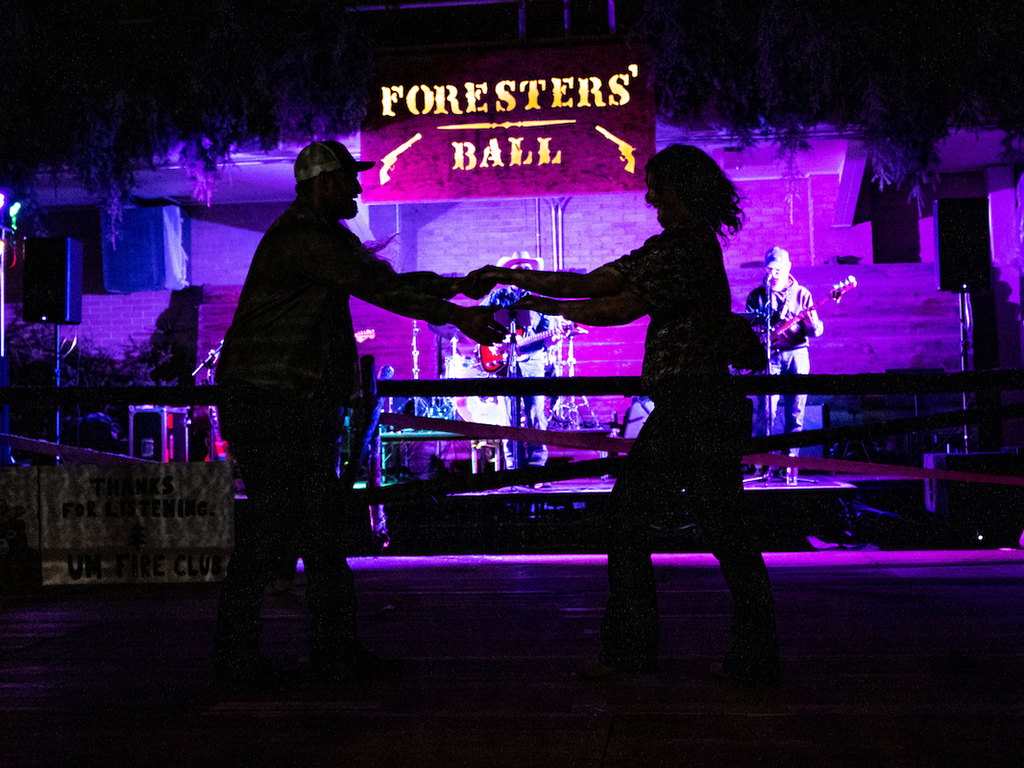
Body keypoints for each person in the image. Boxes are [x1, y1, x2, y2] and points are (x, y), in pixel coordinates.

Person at [464, 145, 778, 686]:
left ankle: (632, 652)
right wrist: (528, 292)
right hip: (702, 404)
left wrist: (522, 294)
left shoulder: (681, 250)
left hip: (691, 405)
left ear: (679, 190)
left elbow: (607, 301)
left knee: (631, 517)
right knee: (725, 531)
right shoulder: (688, 246)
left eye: (656, 186)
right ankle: (753, 652)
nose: (649, 197)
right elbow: (597, 290)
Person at [212, 140, 505, 689]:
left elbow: (383, 280)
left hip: (279, 399)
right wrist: (456, 313)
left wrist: (459, 288)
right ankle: (266, 658)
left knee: (305, 530)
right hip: (273, 401)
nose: (357, 188)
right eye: (349, 180)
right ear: (322, 184)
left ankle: (309, 654)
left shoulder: (317, 237)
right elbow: (380, 286)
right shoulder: (305, 239)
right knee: (287, 529)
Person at [745, 246, 823, 482]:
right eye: (770, 269)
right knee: (764, 411)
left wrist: (810, 325)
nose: (774, 273)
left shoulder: (802, 295)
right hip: (770, 356)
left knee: (795, 412)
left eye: (778, 269)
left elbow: (817, 330)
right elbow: (747, 329)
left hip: (797, 355)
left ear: (788, 267)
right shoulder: (757, 296)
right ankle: (762, 464)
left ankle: (790, 464)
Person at [480, 253, 555, 470]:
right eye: (516, 268)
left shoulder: (539, 299)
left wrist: (553, 337)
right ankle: (513, 468)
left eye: (524, 268)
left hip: (533, 362)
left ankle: (537, 469)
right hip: (504, 365)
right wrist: (493, 342)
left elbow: (546, 336)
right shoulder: (496, 298)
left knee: (536, 417)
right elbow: (477, 322)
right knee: (508, 418)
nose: (520, 272)